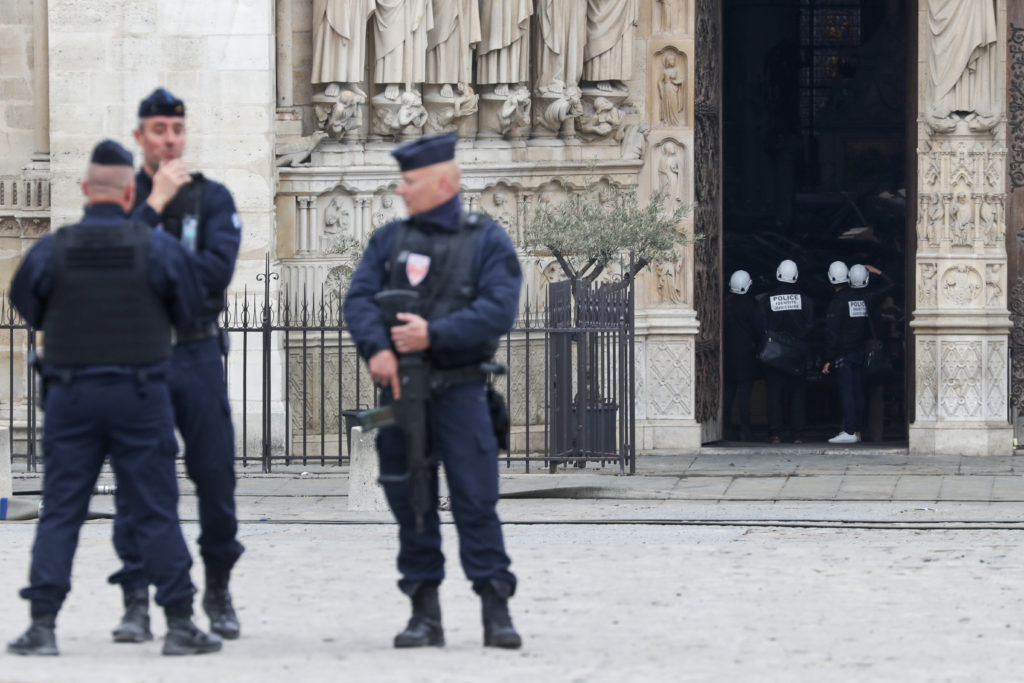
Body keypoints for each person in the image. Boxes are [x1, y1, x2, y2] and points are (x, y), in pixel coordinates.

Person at [6, 140, 220, 656]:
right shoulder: (158, 248)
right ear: (130, 194)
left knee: (60, 509)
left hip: (70, 395)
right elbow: (190, 311)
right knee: (154, 509)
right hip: (139, 394)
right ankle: (179, 623)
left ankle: (42, 625)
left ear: (84, 191)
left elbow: (24, 302)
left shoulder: (52, 249)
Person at [343, 132, 523, 649]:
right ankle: (424, 613)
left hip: (463, 391)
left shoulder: (487, 240)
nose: (401, 190)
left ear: (445, 181)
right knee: (410, 499)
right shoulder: (389, 242)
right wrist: (376, 349)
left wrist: (433, 334)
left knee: (475, 498)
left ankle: (495, 608)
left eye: (410, 181)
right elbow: (358, 300)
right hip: (401, 391)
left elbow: (499, 308)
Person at [107, 88, 244, 643]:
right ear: (140, 136)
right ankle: (136, 599)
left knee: (214, 476)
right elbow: (109, 269)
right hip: (136, 355)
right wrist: (153, 207)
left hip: (195, 351)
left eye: (176, 130)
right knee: (137, 480)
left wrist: (150, 272)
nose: (169, 139)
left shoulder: (213, 198)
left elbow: (215, 274)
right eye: (158, 129)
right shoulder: (118, 198)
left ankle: (217, 586)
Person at [756, 259, 814, 444]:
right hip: (797, 354)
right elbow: (811, 325)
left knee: (774, 394)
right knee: (797, 395)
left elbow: (759, 326)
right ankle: (798, 434)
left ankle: (775, 433)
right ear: (796, 276)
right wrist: (797, 340)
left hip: (773, 354)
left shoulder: (767, 300)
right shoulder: (805, 300)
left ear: (778, 274)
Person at [821, 261, 870, 444]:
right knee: (858, 393)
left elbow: (832, 332)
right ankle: (856, 429)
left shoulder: (837, 302)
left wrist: (828, 358)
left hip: (844, 353)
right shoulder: (860, 298)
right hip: (859, 351)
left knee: (847, 393)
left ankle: (849, 430)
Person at [722, 270, 759, 441]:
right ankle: (746, 429)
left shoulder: (725, 304)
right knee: (745, 395)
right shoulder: (751, 304)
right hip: (746, 354)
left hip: (728, 353)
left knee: (728, 393)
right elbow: (758, 328)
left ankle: (724, 428)